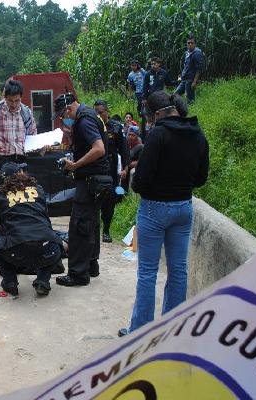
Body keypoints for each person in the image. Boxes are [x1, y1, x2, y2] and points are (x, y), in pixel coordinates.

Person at [118, 91, 209, 337]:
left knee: (147, 272)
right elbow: (200, 178)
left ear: (157, 114)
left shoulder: (158, 135)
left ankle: (140, 332)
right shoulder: (198, 134)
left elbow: (141, 182)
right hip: (183, 208)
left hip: (154, 210)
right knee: (178, 271)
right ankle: (173, 331)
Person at [53, 93, 110, 287]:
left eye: (63, 114)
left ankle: (78, 274)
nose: (64, 118)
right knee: (91, 224)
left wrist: (75, 165)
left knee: (79, 226)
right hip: (98, 179)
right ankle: (91, 265)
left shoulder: (84, 120)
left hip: (89, 180)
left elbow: (99, 148)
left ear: (68, 108)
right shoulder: (90, 115)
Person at [0, 162, 64, 296]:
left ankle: (10, 282)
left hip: (16, 251)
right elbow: (45, 218)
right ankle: (43, 281)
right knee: (56, 242)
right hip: (46, 249)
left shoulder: (0, 196)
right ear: (21, 174)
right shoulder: (39, 189)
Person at [93, 100, 129, 243]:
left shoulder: (115, 127)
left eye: (101, 112)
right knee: (95, 199)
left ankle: (106, 230)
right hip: (96, 167)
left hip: (111, 168)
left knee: (110, 200)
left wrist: (125, 168)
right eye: (96, 112)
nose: (98, 115)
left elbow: (124, 149)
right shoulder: (92, 125)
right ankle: (94, 230)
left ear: (107, 111)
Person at [175, 35, 205, 103]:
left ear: (195, 44)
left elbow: (199, 69)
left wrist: (194, 82)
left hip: (190, 80)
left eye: (192, 43)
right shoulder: (187, 53)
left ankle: (192, 112)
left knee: (190, 100)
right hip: (184, 79)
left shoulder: (197, 53)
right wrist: (181, 74)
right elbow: (185, 66)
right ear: (186, 44)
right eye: (188, 43)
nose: (190, 44)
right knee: (175, 95)